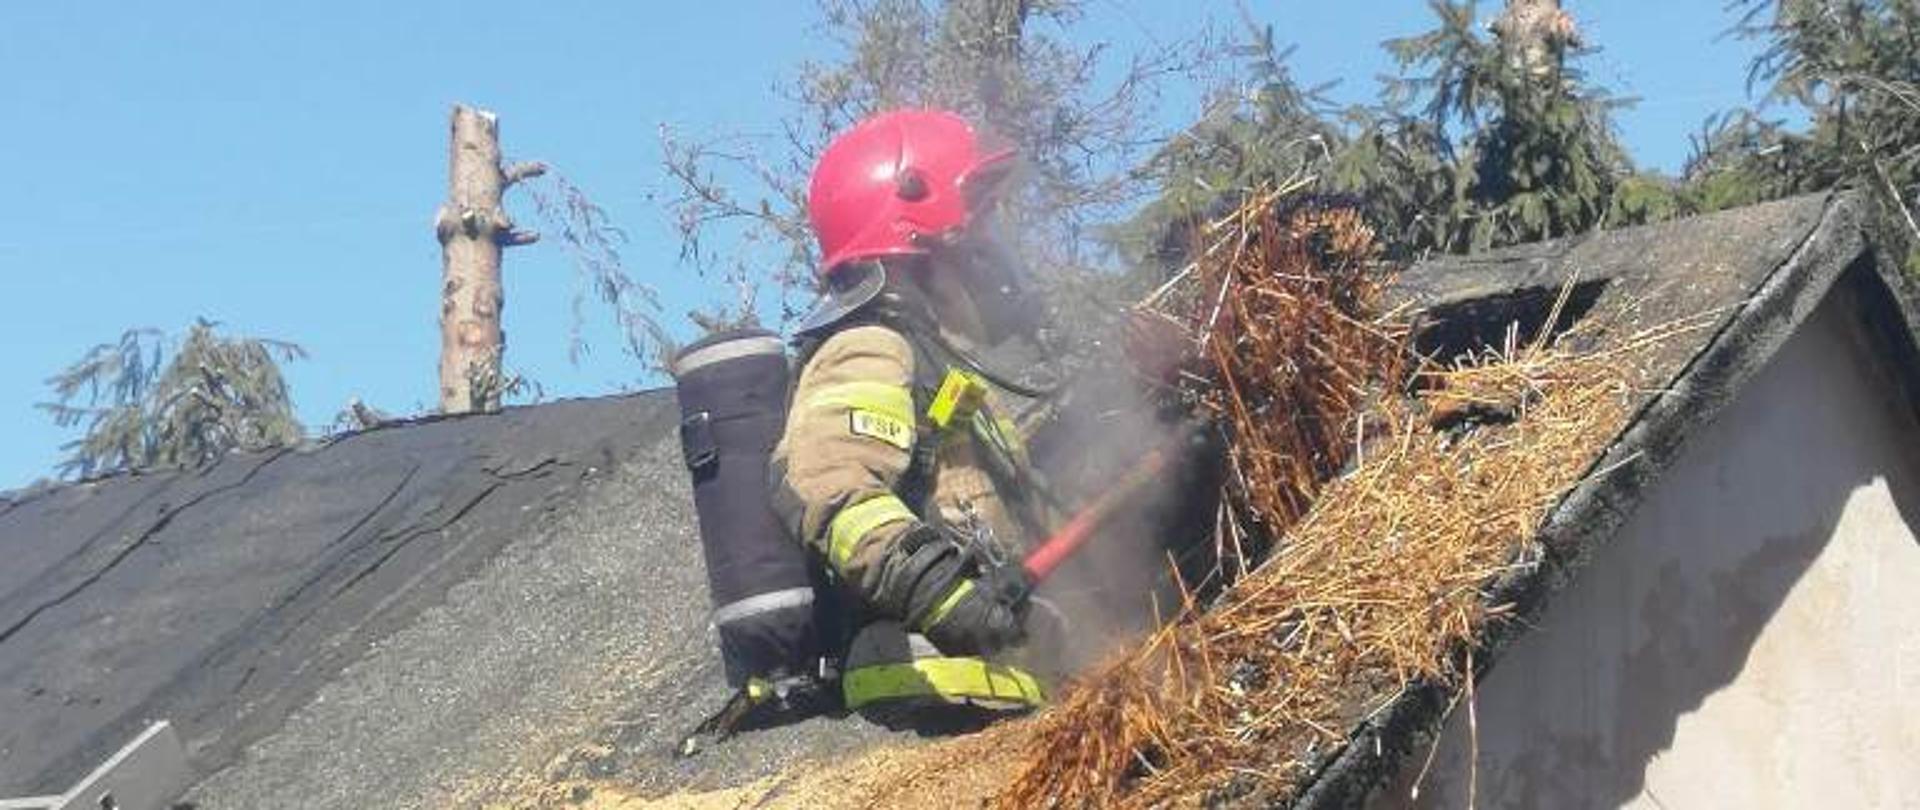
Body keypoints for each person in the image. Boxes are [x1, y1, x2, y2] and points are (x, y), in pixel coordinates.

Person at [770, 109, 1056, 713]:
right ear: (921, 245)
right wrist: (944, 596)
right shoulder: (871, 345)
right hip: (927, 688)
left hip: (990, 686)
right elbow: (827, 482)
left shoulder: (940, 367)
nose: (990, 250)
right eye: (976, 227)